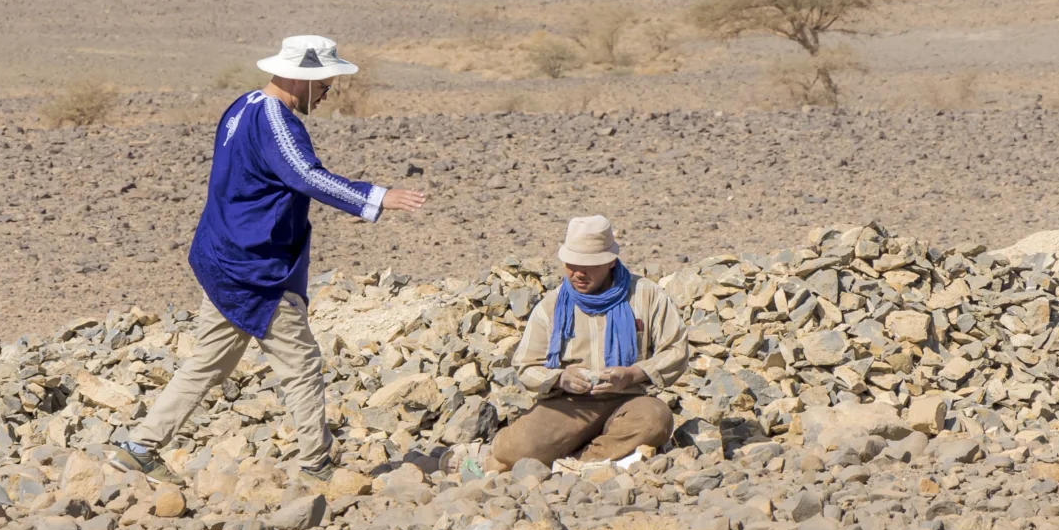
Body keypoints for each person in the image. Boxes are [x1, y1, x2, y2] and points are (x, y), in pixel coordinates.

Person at [110, 34, 424, 483]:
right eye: (324, 81)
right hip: (254, 267)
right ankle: (317, 464)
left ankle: (139, 446)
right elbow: (305, 176)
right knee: (301, 365)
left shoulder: (243, 106)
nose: (330, 89)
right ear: (302, 78)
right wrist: (376, 197)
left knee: (209, 361)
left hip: (221, 255)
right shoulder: (277, 122)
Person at [473, 215, 687, 475]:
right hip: (570, 404)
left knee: (657, 420)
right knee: (514, 448)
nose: (578, 274)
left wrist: (633, 374)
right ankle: (595, 462)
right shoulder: (551, 307)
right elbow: (525, 367)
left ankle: (570, 465)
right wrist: (561, 378)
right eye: (571, 265)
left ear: (610, 262)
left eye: (589, 266)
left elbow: (676, 350)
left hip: (629, 398)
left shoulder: (645, 295)